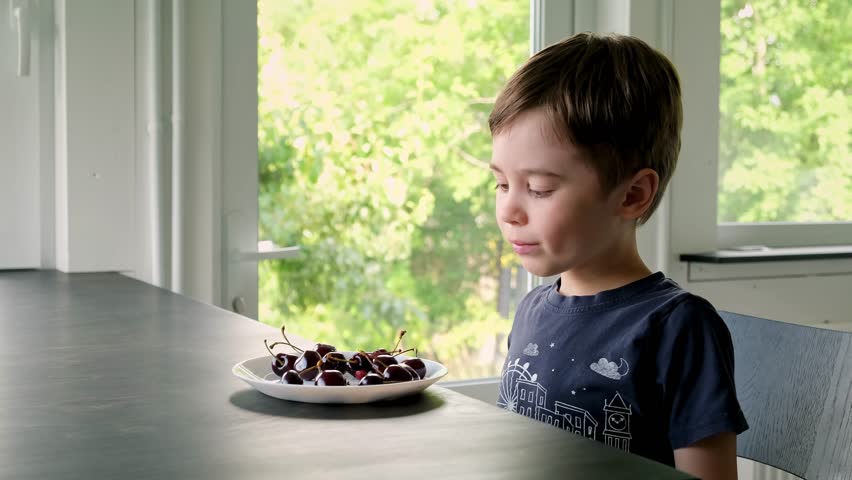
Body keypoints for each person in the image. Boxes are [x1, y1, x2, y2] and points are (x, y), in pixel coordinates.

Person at [489, 32, 748, 480]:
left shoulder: (678, 328)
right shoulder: (531, 311)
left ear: (632, 195)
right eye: (501, 184)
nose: (509, 210)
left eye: (539, 188)